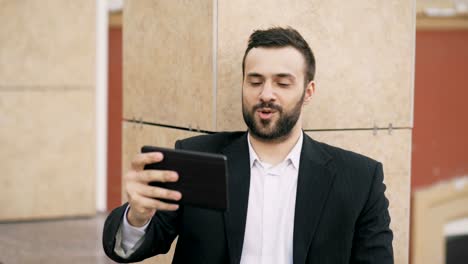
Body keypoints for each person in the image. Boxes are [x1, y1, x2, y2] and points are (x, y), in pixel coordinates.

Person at [102, 27, 393, 264]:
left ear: (308, 91)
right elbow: (134, 246)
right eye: (255, 82)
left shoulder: (359, 178)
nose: (266, 94)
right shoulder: (197, 157)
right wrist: (137, 216)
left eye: (282, 83)